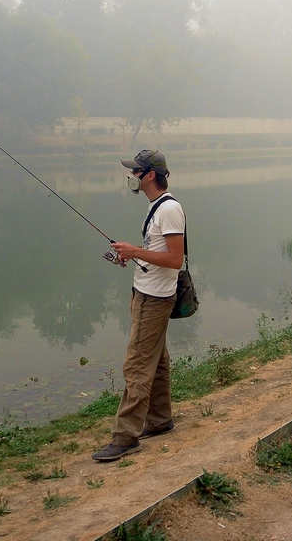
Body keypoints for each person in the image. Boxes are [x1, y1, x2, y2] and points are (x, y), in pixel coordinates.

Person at [92, 149, 185, 462]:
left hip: (154, 298)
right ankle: (160, 420)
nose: (132, 176)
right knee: (155, 361)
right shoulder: (156, 207)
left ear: (150, 175)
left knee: (136, 366)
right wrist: (130, 254)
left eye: (136, 171)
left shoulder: (169, 209)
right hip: (145, 292)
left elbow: (174, 259)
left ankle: (125, 436)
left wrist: (134, 251)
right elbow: (156, 252)